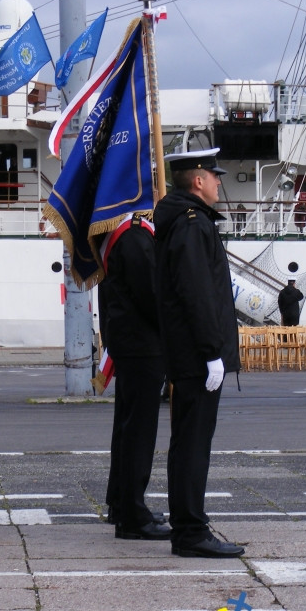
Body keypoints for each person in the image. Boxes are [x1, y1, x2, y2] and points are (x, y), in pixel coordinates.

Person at [154, 148, 244, 559]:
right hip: (196, 356)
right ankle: (190, 531)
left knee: (189, 442)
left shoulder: (189, 221)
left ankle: (189, 525)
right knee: (192, 444)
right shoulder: (192, 225)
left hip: (191, 354)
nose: (218, 182)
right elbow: (197, 294)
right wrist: (212, 353)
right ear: (198, 181)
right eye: (214, 176)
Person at [97, 213, 169, 540]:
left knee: (126, 430)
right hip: (142, 345)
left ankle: (121, 501)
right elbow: (152, 296)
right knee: (139, 433)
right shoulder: (136, 236)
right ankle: (133, 514)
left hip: (127, 342)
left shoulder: (120, 232)